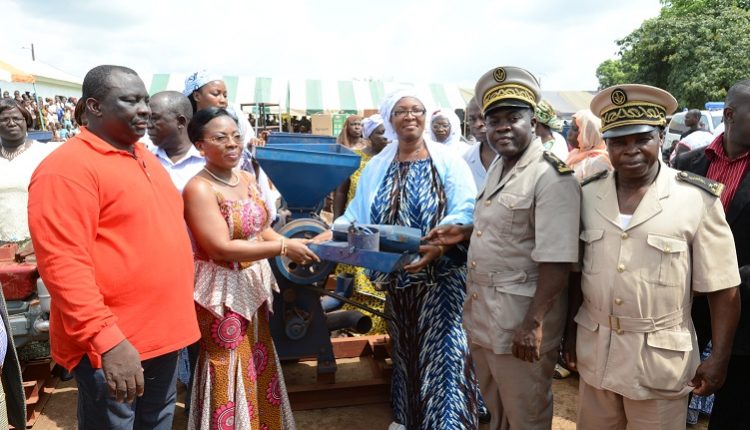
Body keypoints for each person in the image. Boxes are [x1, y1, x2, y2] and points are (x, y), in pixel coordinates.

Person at [28, 65, 201, 430]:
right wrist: (106, 340)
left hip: (164, 335)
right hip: (116, 344)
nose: (144, 109)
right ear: (95, 106)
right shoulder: (67, 168)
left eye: (145, 100)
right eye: (130, 100)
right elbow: (62, 264)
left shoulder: (145, 157)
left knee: (157, 422)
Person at [564, 84, 740, 430]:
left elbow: (724, 288)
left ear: (661, 136)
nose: (630, 150)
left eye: (642, 138)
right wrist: (569, 334)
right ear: (606, 143)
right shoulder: (586, 195)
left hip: (659, 364)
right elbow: (575, 274)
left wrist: (720, 357)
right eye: (618, 141)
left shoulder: (696, 199)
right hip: (596, 353)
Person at [426, 66, 581, 430]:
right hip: (484, 315)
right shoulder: (500, 165)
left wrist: (533, 324)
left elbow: (557, 260)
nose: (502, 127)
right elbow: (506, 228)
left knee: (526, 416)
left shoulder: (551, 176)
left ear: (533, 122)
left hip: (520, 322)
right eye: (494, 120)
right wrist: (463, 232)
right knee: (498, 414)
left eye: (513, 118)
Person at [325, 89, 478, 429]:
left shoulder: (448, 160)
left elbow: (465, 208)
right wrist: (326, 236)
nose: (410, 116)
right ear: (389, 119)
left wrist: (440, 243)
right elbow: (356, 214)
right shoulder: (378, 166)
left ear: (426, 116)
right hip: (398, 277)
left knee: (445, 351)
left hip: (442, 278)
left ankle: (448, 423)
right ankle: (410, 418)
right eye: (401, 111)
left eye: (417, 110)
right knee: (407, 349)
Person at [182, 107, 315, 429]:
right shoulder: (199, 188)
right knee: (227, 362)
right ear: (200, 146)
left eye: (236, 136)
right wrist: (283, 247)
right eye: (220, 138)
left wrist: (292, 244)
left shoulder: (246, 177)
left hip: (253, 286)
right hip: (221, 291)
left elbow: (261, 230)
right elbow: (220, 247)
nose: (232, 144)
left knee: (257, 356)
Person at [673, 79, 750, 429]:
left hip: (744, 306)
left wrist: (724, 279)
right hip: (685, 305)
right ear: (730, 115)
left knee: (734, 406)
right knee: (673, 394)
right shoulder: (687, 163)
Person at [183, 70, 280, 223]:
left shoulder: (235, 116)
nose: (223, 100)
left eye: (225, 95)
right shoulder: (199, 187)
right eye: (216, 94)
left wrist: (254, 145)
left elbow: (248, 145)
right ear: (196, 96)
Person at [331, 114, 390, 334]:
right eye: (380, 132)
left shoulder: (394, 160)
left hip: (383, 231)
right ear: (369, 135)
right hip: (354, 230)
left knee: (381, 285)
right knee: (356, 282)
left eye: (388, 132)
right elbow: (341, 192)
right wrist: (336, 224)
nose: (386, 137)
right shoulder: (355, 158)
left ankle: (380, 330)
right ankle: (355, 328)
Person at [0, 99, 60, 247]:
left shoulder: (46, 153)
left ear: (26, 121)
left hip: (38, 242)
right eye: (4, 119)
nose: (11, 123)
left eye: (16, 118)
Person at [148, 91, 204, 192]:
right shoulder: (144, 158)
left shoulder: (207, 161)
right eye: (147, 118)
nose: (148, 125)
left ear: (180, 122)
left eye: (154, 118)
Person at [565, 109, 613, 181]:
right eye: (570, 127)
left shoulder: (598, 162)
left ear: (589, 134)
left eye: (574, 129)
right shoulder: (575, 153)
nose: (569, 133)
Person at [462, 97, 496, 190]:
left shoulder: (513, 155)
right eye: (472, 119)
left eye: (483, 118)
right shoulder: (467, 157)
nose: (477, 124)